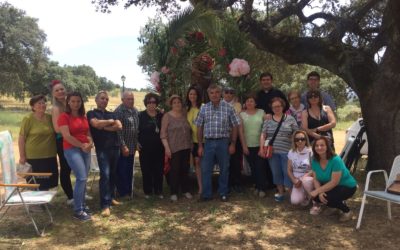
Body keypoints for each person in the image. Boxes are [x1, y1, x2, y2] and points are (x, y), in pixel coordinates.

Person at [195, 84, 241, 202]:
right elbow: (199, 127)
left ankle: (223, 192)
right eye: (212, 93)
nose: (214, 95)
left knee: (224, 168)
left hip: (223, 142)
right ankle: (206, 194)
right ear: (208, 95)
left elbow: (236, 125)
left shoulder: (228, 108)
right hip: (208, 143)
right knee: (206, 169)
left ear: (220, 93)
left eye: (216, 92)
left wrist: (233, 143)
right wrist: (200, 145)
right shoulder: (204, 108)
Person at [58, 92, 93, 221]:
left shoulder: (83, 116)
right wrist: (82, 145)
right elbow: (66, 136)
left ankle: (83, 205)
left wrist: (90, 143)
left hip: (85, 148)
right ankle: (78, 210)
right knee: (81, 177)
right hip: (71, 149)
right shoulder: (64, 117)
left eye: (78, 101)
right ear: (68, 102)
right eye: (73, 101)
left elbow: (88, 132)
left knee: (84, 178)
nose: (76, 104)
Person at [87, 91, 122, 217]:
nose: (104, 100)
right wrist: (109, 122)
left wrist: (104, 126)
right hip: (102, 149)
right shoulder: (91, 113)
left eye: (106, 99)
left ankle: (111, 197)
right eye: (102, 98)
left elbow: (118, 126)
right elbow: (95, 124)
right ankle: (105, 205)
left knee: (113, 174)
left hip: (115, 147)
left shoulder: (112, 113)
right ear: (96, 100)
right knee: (105, 175)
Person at [259, 97, 298, 202]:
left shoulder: (290, 119)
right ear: (271, 108)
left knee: (287, 172)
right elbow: (263, 135)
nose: (276, 108)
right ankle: (280, 193)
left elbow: (296, 133)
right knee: (276, 172)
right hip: (272, 152)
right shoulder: (268, 120)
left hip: (287, 151)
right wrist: (262, 148)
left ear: (283, 106)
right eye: (274, 106)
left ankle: (291, 194)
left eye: (278, 106)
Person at [309, 137, 357, 222]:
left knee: (328, 197)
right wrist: (319, 192)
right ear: (314, 148)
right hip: (332, 186)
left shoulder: (335, 160)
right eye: (316, 145)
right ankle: (334, 207)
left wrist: (317, 191)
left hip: (347, 186)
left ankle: (347, 212)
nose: (319, 147)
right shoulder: (315, 160)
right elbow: (316, 179)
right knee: (317, 197)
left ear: (327, 146)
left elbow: (334, 182)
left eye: (322, 145)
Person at [255, 72, 288, 188]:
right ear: (261, 82)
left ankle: (281, 184)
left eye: (268, 79)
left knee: (276, 154)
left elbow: (286, 107)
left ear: (271, 80)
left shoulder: (278, 93)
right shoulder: (258, 95)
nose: (266, 82)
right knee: (266, 153)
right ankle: (269, 182)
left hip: (277, 126)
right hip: (262, 127)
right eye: (263, 80)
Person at [18, 95, 58, 190]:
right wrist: (22, 156)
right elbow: (21, 138)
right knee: (36, 182)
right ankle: (36, 203)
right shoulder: (28, 119)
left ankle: (44, 203)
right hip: (34, 157)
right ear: (33, 107)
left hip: (50, 155)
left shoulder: (50, 118)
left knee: (48, 182)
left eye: (43, 103)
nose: (42, 105)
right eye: (39, 103)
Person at [160, 95, 192, 202]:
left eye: (179, 102)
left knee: (185, 169)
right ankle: (173, 192)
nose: (177, 104)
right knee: (174, 170)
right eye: (174, 103)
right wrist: (167, 148)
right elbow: (163, 134)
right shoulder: (167, 116)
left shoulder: (184, 114)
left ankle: (185, 190)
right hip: (174, 148)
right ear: (171, 104)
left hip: (186, 146)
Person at [239, 94, 268, 197]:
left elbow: (266, 127)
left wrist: (263, 146)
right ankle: (256, 186)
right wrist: (244, 146)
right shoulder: (241, 115)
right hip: (248, 145)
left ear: (255, 103)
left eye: (251, 101)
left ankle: (262, 188)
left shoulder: (261, 112)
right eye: (247, 101)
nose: (249, 103)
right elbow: (241, 132)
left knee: (260, 166)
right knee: (253, 167)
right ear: (245, 103)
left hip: (260, 145)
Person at [50, 80, 74, 204]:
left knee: (76, 167)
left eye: (62, 89)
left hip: (73, 139)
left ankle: (79, 193)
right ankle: (70, 197)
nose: (60, 91)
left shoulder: (70, 105)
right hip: (63, 141)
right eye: (57, 90)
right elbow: (57, 128)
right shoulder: (55, 108)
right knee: (66, 168)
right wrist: (72, 129)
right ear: (53, 94)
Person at [138, 93, 164, 199]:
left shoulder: (161, 116)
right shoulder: (140, 115)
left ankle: (158, 190)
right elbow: (136, 131)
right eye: (149, 102)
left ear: (156, 103)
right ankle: (148, 191)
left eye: (153, 102)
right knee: (146, 169)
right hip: (144, 148)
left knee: (158, 169)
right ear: (146, 103)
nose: (151, 104)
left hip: (159, 147)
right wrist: (136, 142)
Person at [114, 91, 139, 199]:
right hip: (123, 147)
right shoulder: (119, 111)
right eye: (128, 99)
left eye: (132, 99)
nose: (131, 101)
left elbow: (137, 129)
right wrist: (123, 146)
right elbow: (117, 132)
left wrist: (137, 142)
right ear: (122, 100)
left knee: (129, 169)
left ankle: (128, 190)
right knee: (122, 170)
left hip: (132, 146)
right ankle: (123, 192)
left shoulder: (135, 110)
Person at [287, 130, 316, 209]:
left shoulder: (311, 151)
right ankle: (305, 195)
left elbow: (314, 169)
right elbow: (289, 169)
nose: (300, 141)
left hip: (308, 178)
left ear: (306, 140)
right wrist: (294, 180)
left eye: (302, 139)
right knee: (295, 201)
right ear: (294, 141)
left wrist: (301, 179)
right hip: (296, 181)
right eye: (297, 139)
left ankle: (314, 199)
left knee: (306, 181)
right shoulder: (291, 152)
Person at [222, 86, 243, 193]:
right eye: (226, 92)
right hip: (223, 137)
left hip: (235, 136)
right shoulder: (219, 104)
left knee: (236, 161)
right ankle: (228, 184)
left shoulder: (238, 105)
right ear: (223, 94)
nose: (228, 94)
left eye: (231, 92)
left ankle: (238, 183)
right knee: (226, 162)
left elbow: (237, 118)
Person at [185, 86, 202, 194]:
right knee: (197, 163)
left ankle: (205, 186)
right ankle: (201, 187)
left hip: (204, 140)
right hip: (192, 141)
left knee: (202, 163)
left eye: (194, 94)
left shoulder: (203, 107)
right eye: (190, 94)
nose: (192, 96)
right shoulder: (186, 109)